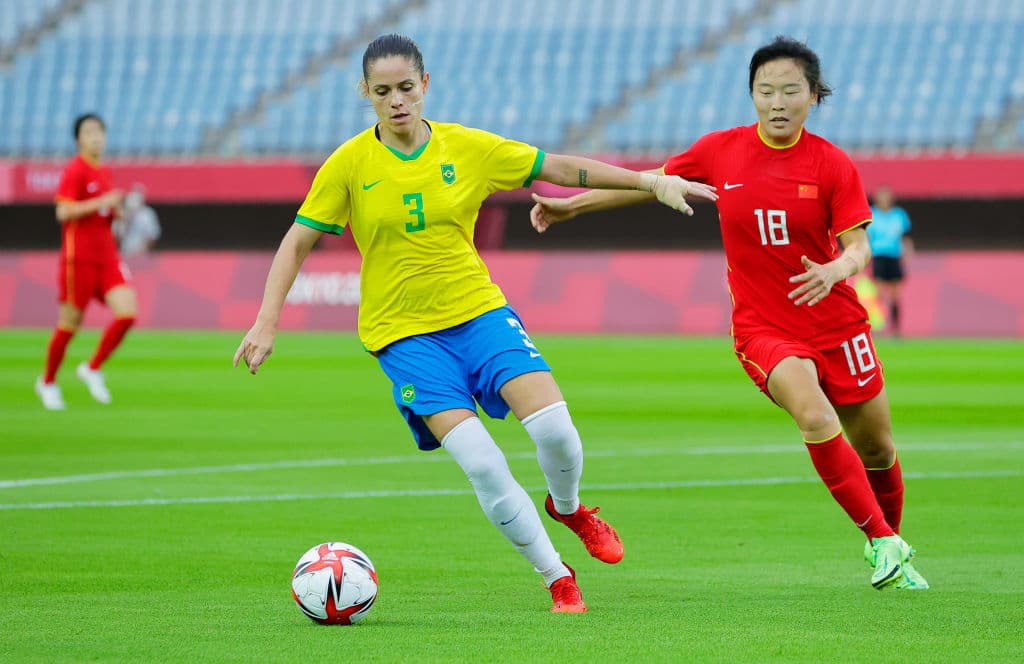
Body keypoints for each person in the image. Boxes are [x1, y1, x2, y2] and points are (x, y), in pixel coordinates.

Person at [232, 34, 717, 613]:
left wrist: (647, 180)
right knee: (484, 464)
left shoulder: (468, 147)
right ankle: (556, 577)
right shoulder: (349, 164)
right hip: (404, 338)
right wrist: (266, 321)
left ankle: (568, 506)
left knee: (558, 432)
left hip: (480, 313)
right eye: (382, 91)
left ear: (425, 85)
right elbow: (296, 243)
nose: (396, 101)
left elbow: (557, 166)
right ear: (366, 93)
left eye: (406, 88)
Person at [530, 36, 928, 591]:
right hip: (765, 329)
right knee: (814, 416)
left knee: (879, 448)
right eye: (765, 90)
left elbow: (859, 245)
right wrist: (573, 206)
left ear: (814, 96)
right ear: (752, 96)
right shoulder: (721, 151)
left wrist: (840, 268)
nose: (778, 101)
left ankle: (889, 544)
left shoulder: (833, 165)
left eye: (791, 90)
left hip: (838, 324)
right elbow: (651, 184)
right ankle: (885, 542)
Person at [35, 113, 138, 410]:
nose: (95, 137)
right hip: (77, 258)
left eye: (99, 132)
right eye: (88, 132)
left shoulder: (104, 171)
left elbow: (100, 215)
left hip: (107, 257)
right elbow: (63, 213)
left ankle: (92, 368)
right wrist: (101, 203)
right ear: (79, 138)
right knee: (70, 324)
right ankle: (48, 381)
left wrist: (114, 213)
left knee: (128, 313)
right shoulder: (74, 170)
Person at [867, 186, 912, 336]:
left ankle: (896, 328)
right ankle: (872, 325)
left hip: (894, 257)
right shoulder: (871, 214)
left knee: (895, 294)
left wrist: (908, 258)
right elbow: (866, 239)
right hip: (878, 256)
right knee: (878, 293)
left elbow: (905, 238)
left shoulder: (899, 215)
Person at [114, 184, 161, 256]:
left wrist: (144, 250)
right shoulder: (122, 212)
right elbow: (117, 234)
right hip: (125, 252)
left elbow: (152, 235)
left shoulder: (147, 214)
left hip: (141, 253)